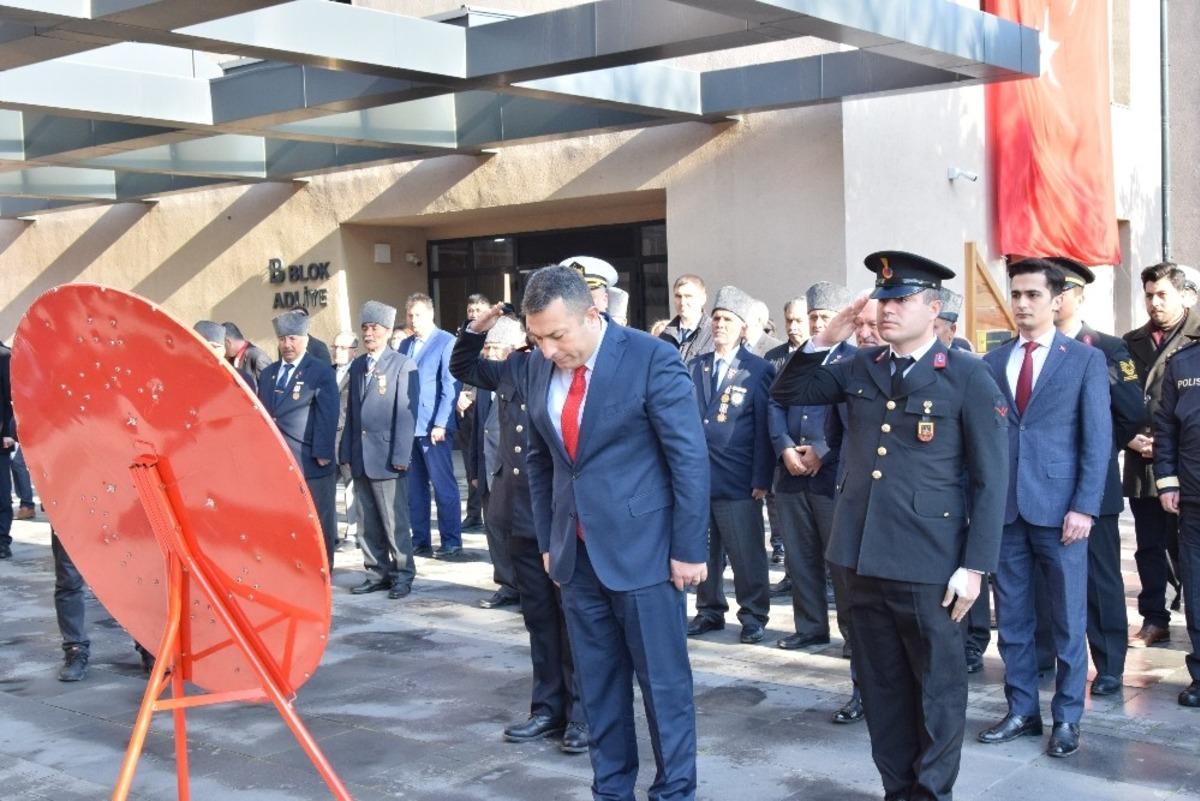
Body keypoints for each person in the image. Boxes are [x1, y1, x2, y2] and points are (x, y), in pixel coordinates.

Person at [771, 250, 1008, 801]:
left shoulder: (967, 376)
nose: (886, 309)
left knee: (937, 690)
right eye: (882, 299)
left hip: (930, 563)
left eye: (899, 299)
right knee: (881, 688)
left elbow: (992, 482)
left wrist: (976, 567)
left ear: (932, 307)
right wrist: (825, 338)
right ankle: (897, 789)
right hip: (860, 556)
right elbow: (788, 393)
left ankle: (931, 794)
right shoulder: (862, 366)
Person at [523, 265, 709, 801]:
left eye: (558, 335)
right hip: (576, 559)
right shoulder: (541, 368)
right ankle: (612, 790)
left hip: (647, 555)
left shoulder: (650, 357)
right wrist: (547, 541)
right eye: (538, 338)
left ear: (592, 313)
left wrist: (689, 548)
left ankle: (674, 792)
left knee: (664, 688)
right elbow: (543, 462)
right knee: (600, 690)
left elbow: (689, 458)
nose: (550, 349)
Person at [977, 259, 1110, 759]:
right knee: (1011, 618)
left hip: (1061, 513)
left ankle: (1068, 718)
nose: (1022, 303)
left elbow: (1097, 441)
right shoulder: (993, 362)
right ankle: (1021, 710)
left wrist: (1084, 507)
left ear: (1056, 300)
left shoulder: (1083, 360)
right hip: (1007, 510)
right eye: (1016, 294)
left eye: (1032, 294)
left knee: (1067, 620)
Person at [451, 308, 589, 754]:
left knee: (575, 620)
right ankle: (547, 708)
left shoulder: (568, 364)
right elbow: (463, 366)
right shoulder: (516, 365)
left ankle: (584, 715)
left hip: (562, 513)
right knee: (540, 620)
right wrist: (480, 324)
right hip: (522, 514)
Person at [1046, 256, 1145, 696]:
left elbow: (1131, 413)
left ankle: (1108, 665)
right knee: (1043, 577)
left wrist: (1099, 451)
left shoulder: (1105, 347)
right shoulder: (1028, 345)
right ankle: (1047, 655)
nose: (1054, 298)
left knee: (1101, 579)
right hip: (1041, 484)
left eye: (1061, 290)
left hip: (1092, 483)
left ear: (1077, 295)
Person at [768, 282, 855, 654]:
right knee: (800, 557)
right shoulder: (797, 359)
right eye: (813, 317)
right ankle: (810, 626)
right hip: (790, 474)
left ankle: (853, 635)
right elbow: (775, 402)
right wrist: (785, 448)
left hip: (831, 476)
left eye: (825, 316)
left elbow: (853, 420)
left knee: (840, 564)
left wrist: (821, 450)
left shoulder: (853, 360)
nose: (818, 323)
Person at [686, 286, 775, 645]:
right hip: (699, 479)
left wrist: (761, 477)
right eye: (717, 318)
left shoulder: (758, 369)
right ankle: (709, 610)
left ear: (743, 328)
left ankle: (753, 615)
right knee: (704, 549)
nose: (720, 325)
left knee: (745, 552)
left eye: (728, 320)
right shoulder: (696, 365)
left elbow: (764, 427)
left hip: (739, 479)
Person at [1123, 263, 1200, 646]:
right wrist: (1129, 437)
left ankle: (1192, 615)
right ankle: (1154, 617)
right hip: (1142, 460)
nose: (1154, 303)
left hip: (1187, 461)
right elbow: (1114, 398)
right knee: (1149, 544)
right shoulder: (1130, 341)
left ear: (1185, 295)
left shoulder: (1194, 340)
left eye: (1162, 294)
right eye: (1149, 295)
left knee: (1186, 547)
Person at [342, 302, 420, 599]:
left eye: (375, 328)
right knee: (367, 521)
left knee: (393, 520)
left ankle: (403, 574)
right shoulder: (359, 364)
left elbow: (406, 414)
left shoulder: (401, 364)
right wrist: (346, 451)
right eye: (365, 328)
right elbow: (351, 413)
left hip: (388, 457)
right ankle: (376, 571)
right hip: (361, 455)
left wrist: (401, 456)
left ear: (388, 331)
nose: (369, 333)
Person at [257, 310, 340, 564]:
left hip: (310, 460)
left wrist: (323, 453)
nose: (287, 345)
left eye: (292, 338)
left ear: (304, 339)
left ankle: (323, 568)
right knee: (287, 518)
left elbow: (328, 414)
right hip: (279, 461)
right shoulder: (269, 373)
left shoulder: (320, 371)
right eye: (282, 339)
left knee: (318, 519)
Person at [1152, 337, 1200, 708]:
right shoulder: (1182, 363)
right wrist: (1167, 480)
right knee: (1197, 589)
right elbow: (1165, 427)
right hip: (1194, 497)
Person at [398, 293, 464, 559]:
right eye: (410, 315)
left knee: (443, 485)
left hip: (433, 427)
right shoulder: (404, 345)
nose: (414, 320)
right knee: (415, 489)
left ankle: (451, 541)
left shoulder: (446, 341)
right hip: (408, 427)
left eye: (419, 315)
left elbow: (451, 386)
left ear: (431, 314)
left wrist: (441, 422)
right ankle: (420, 540)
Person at [467, 317, 521, 610]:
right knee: (495, 530)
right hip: (488, 469)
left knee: (519, 532)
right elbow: (479, 428)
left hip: (511, 469)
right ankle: (506, 584)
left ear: (511, 349)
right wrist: (474, 470)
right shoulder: (485, 381)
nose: (488, 353)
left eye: (495, 347)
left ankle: (525, 586)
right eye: (486, 347)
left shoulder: (519, 376)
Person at [459, 293, 493, 532]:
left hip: (486, 404)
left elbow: (486, 370)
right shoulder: (464, 337)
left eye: (479, 310)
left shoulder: (494, 334)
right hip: (467, 412)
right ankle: (473, 513)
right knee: (473, 462)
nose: (474, 315)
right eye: (471, 311)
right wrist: (457, 396)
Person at [332, 331, 361, 553]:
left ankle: (353, 533)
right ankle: (329, 532)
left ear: (354, 351)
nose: (337, 352)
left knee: (351, 488)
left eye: (342, 348)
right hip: (327, 440)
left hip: (347, 438)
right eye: (335, 347)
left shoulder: (358, 373)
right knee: (326, 489)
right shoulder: (327, 372)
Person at [659, 274, 714, 362]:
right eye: (678, 296)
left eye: (688, 296)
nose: (682, 302)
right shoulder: (665, 335)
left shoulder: (714, 333)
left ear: (703, 299)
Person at [0, 341, 13, 560]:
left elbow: (13, 396)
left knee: (1, 495)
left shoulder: (4, 356)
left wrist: (10, 432)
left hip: (0, 439)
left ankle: (2, 541)